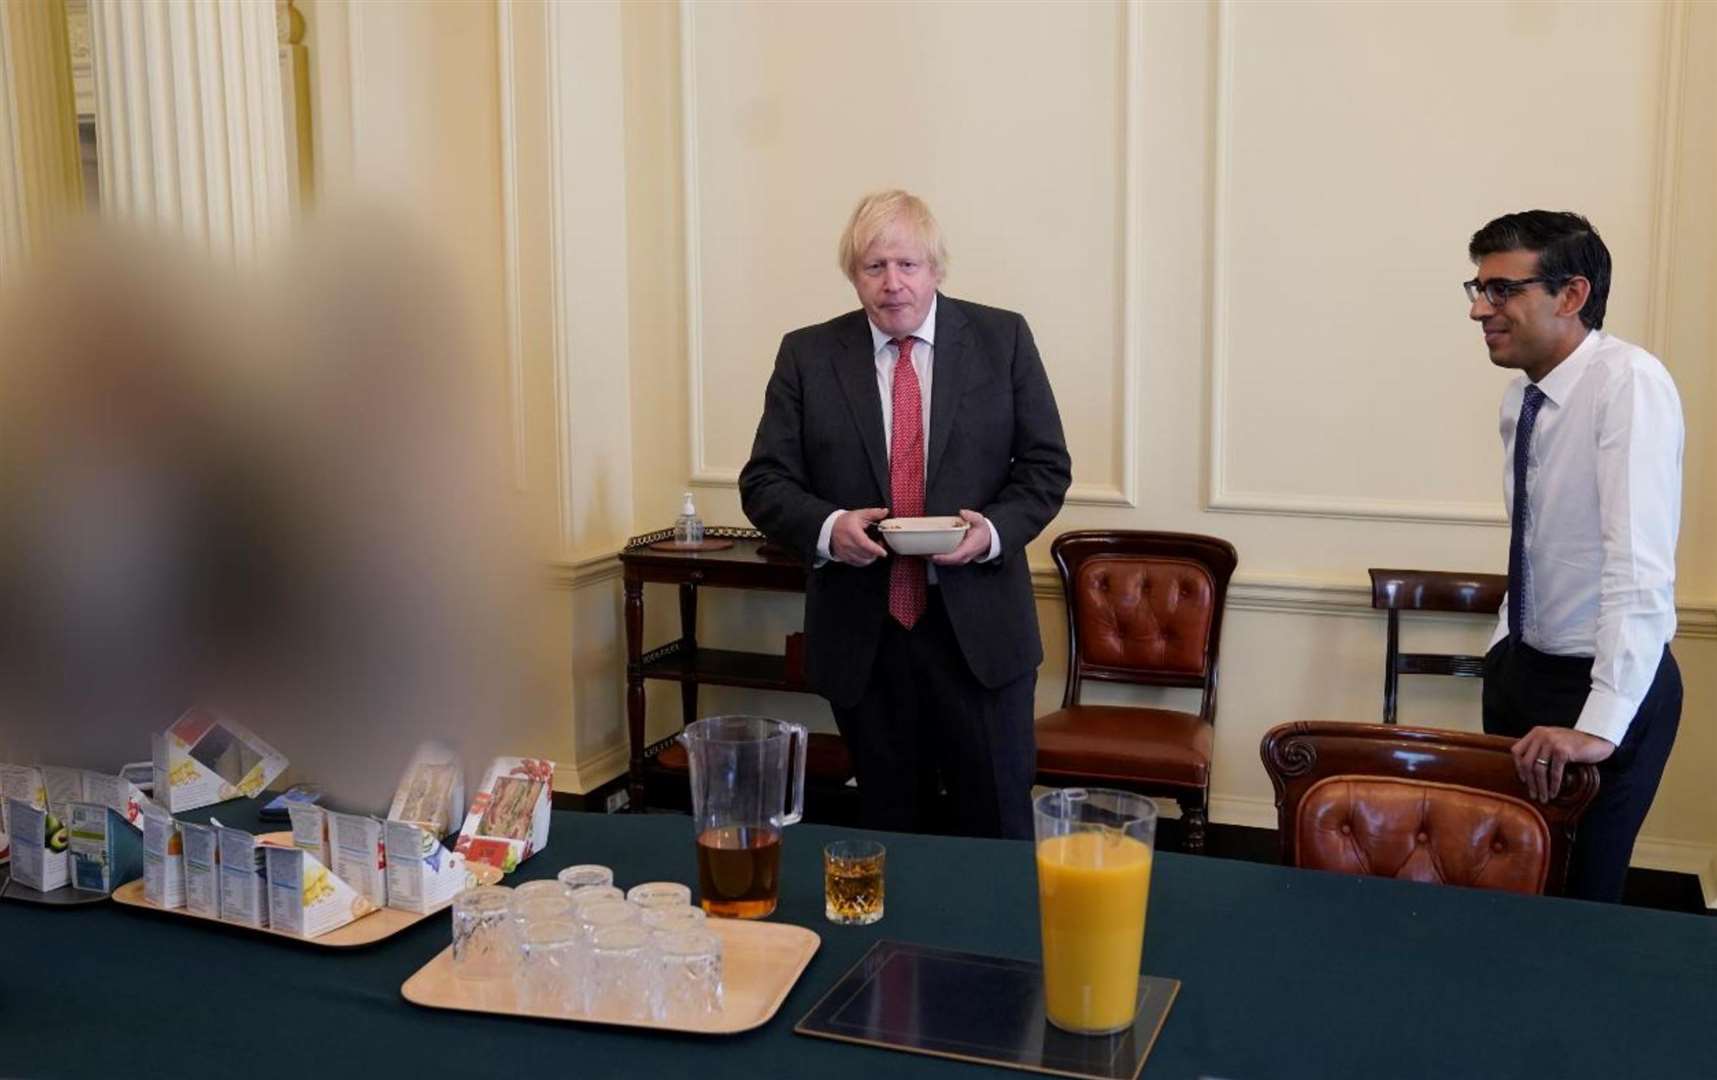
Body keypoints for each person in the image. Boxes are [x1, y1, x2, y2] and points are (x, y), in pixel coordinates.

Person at [739, 190, 1071, 839]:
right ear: (853, 275)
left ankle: (1001, 943)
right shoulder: (807, 355)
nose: (892, 284)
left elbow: (1045, 466)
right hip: (865, 637)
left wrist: (991, 533)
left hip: (978, 633)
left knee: (998, 825)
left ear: (936, 268)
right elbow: (765, 480)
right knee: (892, 828)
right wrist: (831, 529)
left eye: (907, 265)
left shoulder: (1001, 339)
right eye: (873, 267)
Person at [1467, 210, 1684, 902]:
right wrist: (1505, 648)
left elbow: (1637, 568)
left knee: (1578, 908)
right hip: (1523, 672)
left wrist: (1596, 725)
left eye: (1500, 290)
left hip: (1600, 685)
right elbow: (1535, 544)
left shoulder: (1628, 384)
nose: (1478, 309)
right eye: (1474, 288)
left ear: (1570, 295)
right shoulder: (1520, 398)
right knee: (1513, 886)